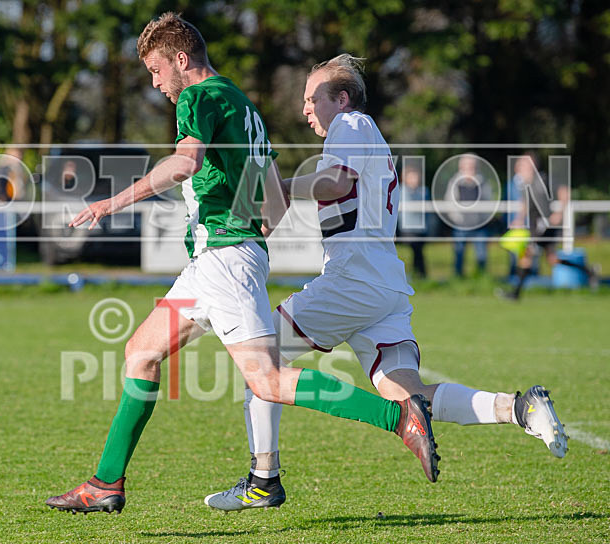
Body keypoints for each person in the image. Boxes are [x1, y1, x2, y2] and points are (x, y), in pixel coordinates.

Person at [44, 14, 438, 516]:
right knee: (140, 352)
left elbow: (186, 163)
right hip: (216, 260)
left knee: (267, 380)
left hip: (224, 262)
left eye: (156, 69)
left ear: (181, 60)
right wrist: (252, 227)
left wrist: (110, 203)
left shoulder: (198, 97)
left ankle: (399, 417)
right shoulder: (243, 106)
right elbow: (272, 205)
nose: (155, 83)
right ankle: (105, 484)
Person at [203, 54, 568, 512]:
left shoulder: (351, 125)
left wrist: (279, 185)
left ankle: (263, 480)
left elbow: (335, 183)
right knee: (412, 400)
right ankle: (520, 408)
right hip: (382, 286)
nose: (305, 109)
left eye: (312, 98)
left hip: (353, 279)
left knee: (260, 364)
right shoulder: (356, 132)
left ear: (341, 98)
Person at [501, 152, 599, 300]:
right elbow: (525, 203)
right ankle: (589, 271)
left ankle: (515, 294)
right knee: (552, 259)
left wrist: (559, 213)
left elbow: (565, 192)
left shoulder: (543, 180)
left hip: (545, 226)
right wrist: (519, 219)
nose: (518, 167)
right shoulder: (526, 184)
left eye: (522, 164)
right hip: (535, 227)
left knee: (526, 255)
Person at [444, 155, 492, 277]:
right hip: (461, 225)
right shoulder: (454, 182)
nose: (470, 168)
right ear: (461, 167)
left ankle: (481, 278)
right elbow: (449, 202)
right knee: (459, 254)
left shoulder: (483, 182)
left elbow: (488, 203)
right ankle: (458, 279)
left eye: (472, 166)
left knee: (482, 255)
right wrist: (457, 219)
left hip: (480, 225)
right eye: (467, 166)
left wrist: (482, 219)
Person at [398, 164, 429, 279]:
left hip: (421, 228)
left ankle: (420, 276)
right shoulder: (401, 191)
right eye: (411, 177)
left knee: (419, 253)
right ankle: (409, 275)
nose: (414, 180)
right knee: (413, 251)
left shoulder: (423, 191)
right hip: (407, 229)